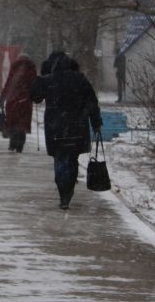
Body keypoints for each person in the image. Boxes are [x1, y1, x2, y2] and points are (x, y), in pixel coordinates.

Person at [30, 53, 102, 210]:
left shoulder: (49, 80)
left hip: (55, 128)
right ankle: (68, 189)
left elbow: (35, 97)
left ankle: (63, 191)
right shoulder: (80, 79)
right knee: (72, 158)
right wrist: (96, 122)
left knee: (60, 159)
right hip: (77, 126)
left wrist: (38, 80)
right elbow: (92, 102)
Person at [0, 54, 37, 153]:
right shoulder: (31, 69)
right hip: (26, 102)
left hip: (12, 101)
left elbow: (8, 84)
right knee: (22, 125)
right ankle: (20, 145)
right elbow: (34, 85)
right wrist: (36, 97)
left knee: (13, 123)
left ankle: (12, 143)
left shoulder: (14, 68)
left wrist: (2, 99)